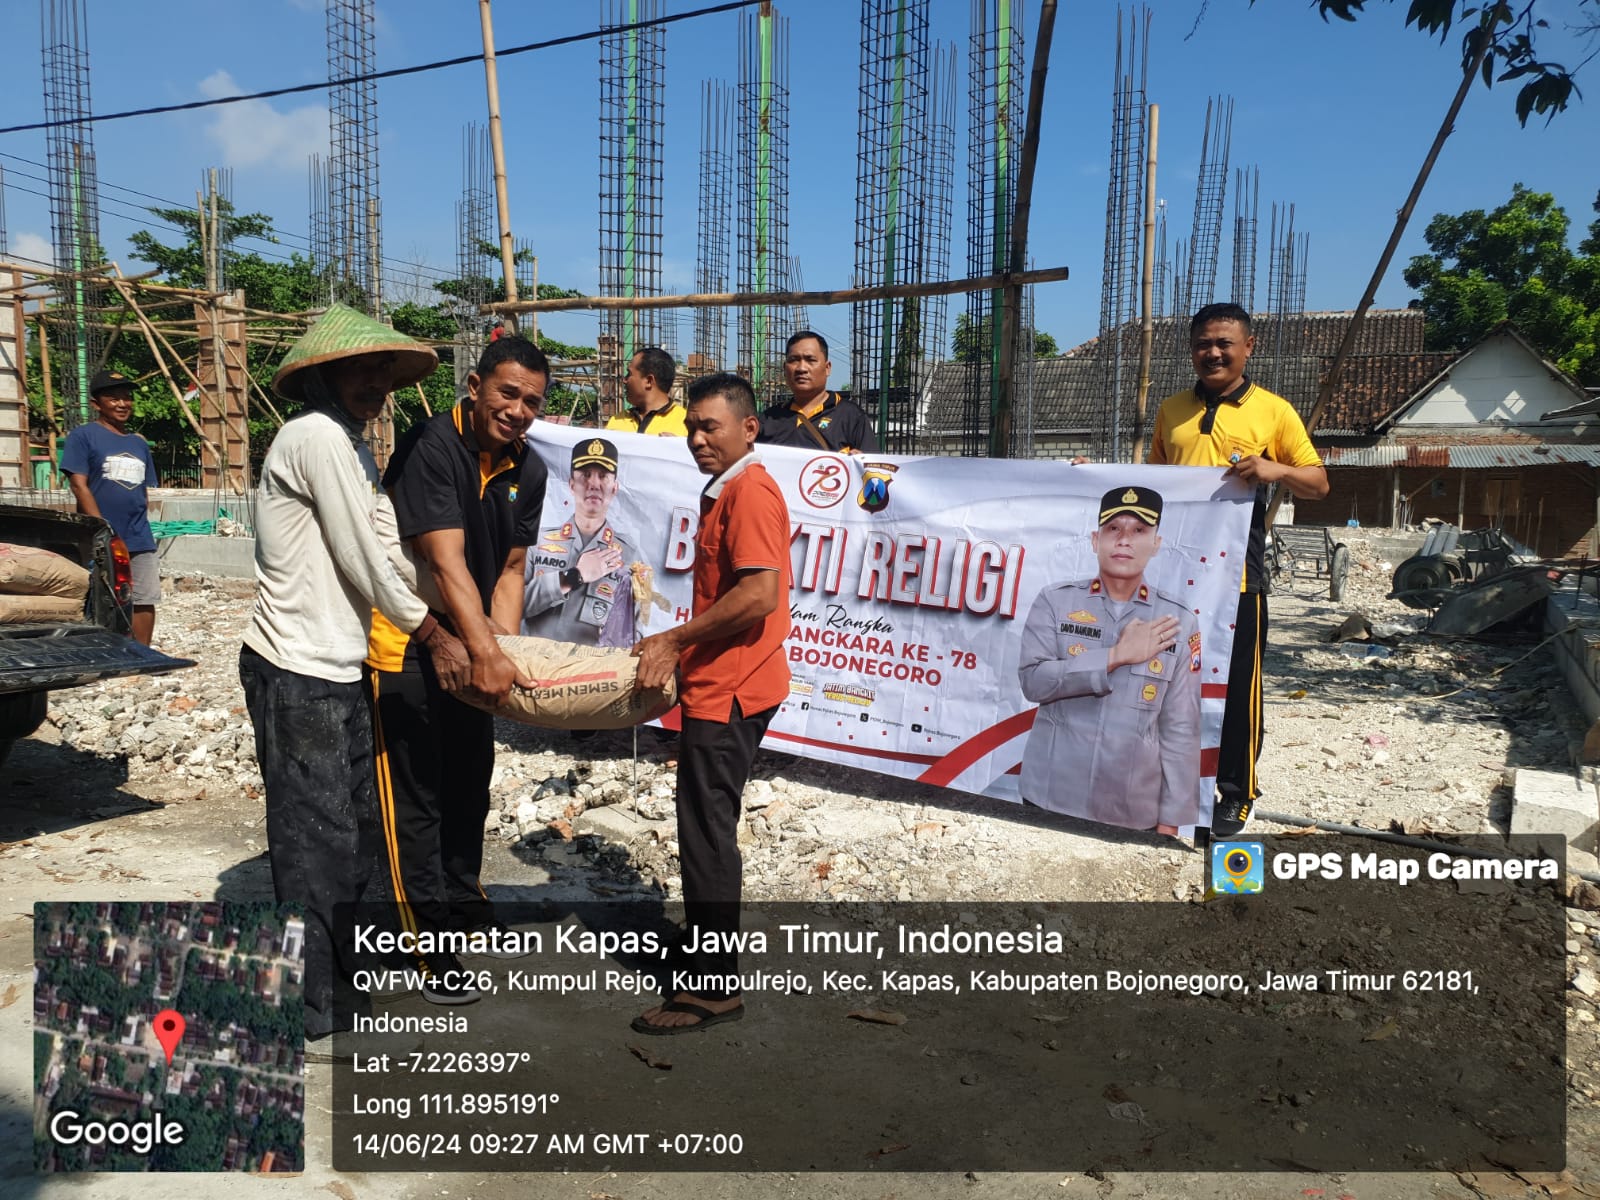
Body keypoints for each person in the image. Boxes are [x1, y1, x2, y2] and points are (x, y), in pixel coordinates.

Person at [240, 304, 467, 1040]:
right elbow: (361, 559)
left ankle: (342, 978)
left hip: (339, 667)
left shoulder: (355, 447)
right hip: (295, 666)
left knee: (358, 830)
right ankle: (316, 1007)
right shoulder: (313, 438)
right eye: (362, 367)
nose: (377, 382)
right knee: (316, 841)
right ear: (324, 373)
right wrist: (434, 632)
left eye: (383, 370)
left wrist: (469, 616)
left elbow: (389, 548)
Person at [366, 336, 548, 1004]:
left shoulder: (528, 469)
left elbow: (510, 569)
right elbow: (443, 564)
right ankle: (424, 941)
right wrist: (485, 651)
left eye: (532, 400)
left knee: (470, 778)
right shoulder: (427, 447)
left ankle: (463, 899)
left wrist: (502, 647)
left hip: (472, 639)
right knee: (416, 795)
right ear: (475, 386)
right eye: (508, 393)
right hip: (408, 639)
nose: (518, 410)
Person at [630, 372, 791, 1034]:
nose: (696, 438)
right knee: (706, 827)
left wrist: (673, 639)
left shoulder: (750, 491)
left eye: (710, 427)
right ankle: (708, 959)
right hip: (728, 681)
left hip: (729, 689)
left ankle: (714, 988)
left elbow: (759, 595)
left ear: (748, 429)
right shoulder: (727, 488)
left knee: (704, 835)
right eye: (691, 426)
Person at [1148, 302, 1328, 840]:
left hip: (1239, 578)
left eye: (1225, 342)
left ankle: (1237, 792)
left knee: (1236, 688)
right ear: (1191, 349)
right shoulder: (1171, 410)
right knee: (1170, 682)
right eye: (1204, 342)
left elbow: (1318, 483)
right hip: (1174, 574)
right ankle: (1172, 785)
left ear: (1249, 347)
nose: (1213, 352)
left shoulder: (1273, 412)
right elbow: (1151, 482)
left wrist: (1276, 469)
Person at [1017, 486, 1202, 833]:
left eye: (1139, 531)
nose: (1124, 541)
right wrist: (1115, 657)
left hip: (1131, 809)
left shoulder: (1177, 622)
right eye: (1114, 529)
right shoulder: (1055, 603)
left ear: (1156, 544)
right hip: (1050, 797)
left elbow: (1181, 727)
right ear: (1095, 540)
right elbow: (1033, 682)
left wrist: (1172, 819)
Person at [61, 370, 160, 645]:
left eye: (126, 398)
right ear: (96, 404)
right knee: (99, 595)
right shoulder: (83, 437)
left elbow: (142, 491)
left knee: (144, 598)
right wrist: (102, 529)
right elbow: (79, 485)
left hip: (139, 535)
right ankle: (98, 648)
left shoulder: (138, 444)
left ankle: (141, 654)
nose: (122, 404)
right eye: (113, 398)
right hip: (100, 534)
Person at [522, 437, 639, 646]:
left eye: (603, 476)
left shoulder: (629, 555)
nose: (593, 484)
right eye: (585, 475)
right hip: (534, 664)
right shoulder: (538, 542)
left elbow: (633, 628)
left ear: (614, 488)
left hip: (591, 671)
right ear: (572, 484)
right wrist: (571, 578)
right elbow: (512, 605)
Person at [757, 330, 877, 454]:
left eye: (810, 360)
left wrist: (861, 462)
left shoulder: (850, 416)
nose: (801, 368)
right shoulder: (769, 419)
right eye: (794, 360)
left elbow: (873, 469)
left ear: (827, 368)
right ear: (784, 368)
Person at [606, 346, 686, 437]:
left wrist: (679, 448)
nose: (624, 380)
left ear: (649, 381)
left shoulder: (687, 424)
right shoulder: (616, 421)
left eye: (629, 374)